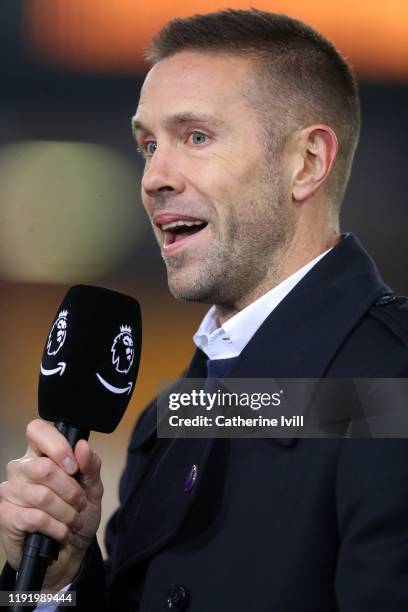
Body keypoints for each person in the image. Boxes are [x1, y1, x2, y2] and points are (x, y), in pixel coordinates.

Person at [1, 8, 408, 611]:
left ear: (307, 163)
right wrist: (60, 580)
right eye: (148, 144)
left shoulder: (391, 387)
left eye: (196, 136)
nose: (153, 176)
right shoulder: (174, 413)